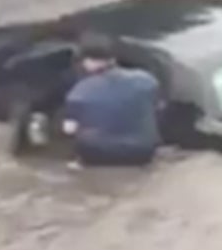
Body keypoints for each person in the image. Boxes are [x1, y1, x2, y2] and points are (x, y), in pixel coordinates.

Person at [59, 33, 163, 167]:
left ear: (87, 61)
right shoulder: (146, 79)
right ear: (113, 58)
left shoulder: (79, 92)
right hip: (143, 152)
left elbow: (69, 130)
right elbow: (157, 106)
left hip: (98, 154)